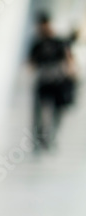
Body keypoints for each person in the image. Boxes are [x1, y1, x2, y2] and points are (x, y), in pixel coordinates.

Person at [29, 11, 76, 150]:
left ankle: (52, 137)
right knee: (41, 113)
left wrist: (70, 71)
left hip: (59, 82)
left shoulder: (59, 42)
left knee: (58, 112)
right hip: (43, 81)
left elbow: (69, 58)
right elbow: (31, 62)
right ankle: (39, 139)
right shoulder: (37, 43)